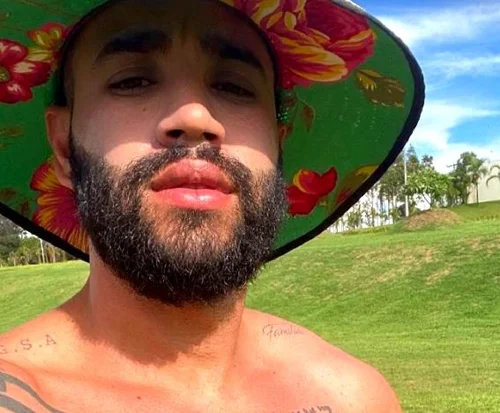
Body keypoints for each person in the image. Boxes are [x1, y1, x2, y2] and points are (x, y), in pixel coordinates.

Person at [0, 0, 424, 411]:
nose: (195, 118)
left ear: (279, 149)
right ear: (64, 148)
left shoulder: (354, 397)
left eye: (234, 86)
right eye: (133, 80)